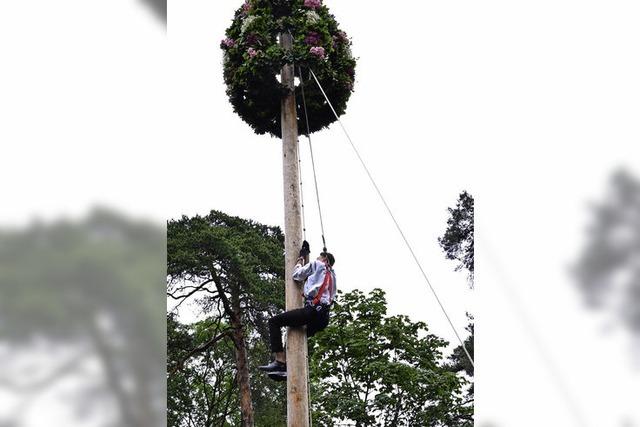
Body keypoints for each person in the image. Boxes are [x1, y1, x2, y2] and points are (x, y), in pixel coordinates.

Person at [258, 247, 336, 378]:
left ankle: (279, 361)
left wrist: (300, 261)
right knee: (295, 332)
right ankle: (288, 368)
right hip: (323, 318)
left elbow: (297, 275)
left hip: (312, 311)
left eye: (319, 257)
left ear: (324, 259)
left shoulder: (318, 264)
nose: (317, 259)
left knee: (274, 322)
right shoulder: (333, 275)